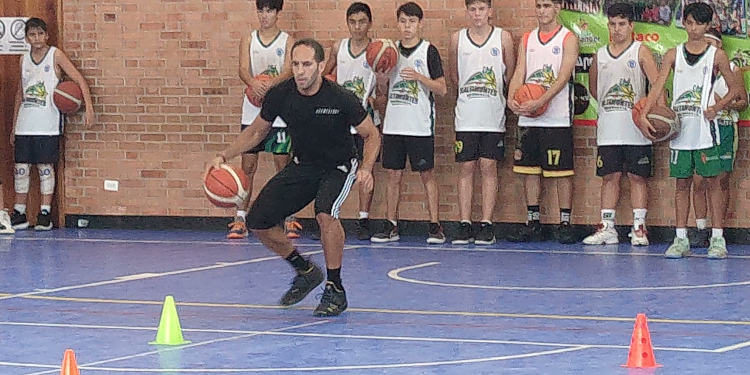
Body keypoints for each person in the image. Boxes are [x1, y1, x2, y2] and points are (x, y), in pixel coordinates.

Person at [207, 39, 380, 316]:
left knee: (325, 214)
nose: (300, 71)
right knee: (257, 221)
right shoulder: (281, 94)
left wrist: (367, 168)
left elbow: (371, 134)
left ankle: (335, 288)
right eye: (296, 64)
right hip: (303, 166)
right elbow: (256, 132)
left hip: (338, 167)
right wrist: (224, 156)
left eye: (307, 64)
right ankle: (305, 270)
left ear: (321, 66)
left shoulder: (340, 97)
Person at [639, 2, 744, 259]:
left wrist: (716, 106)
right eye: (689, 22)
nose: (694, 28)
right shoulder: (673, 54)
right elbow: (658, 86)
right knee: (681, 184)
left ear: (708, 26)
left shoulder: (717, 56)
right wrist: (643, 113)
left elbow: (735, 91)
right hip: (681, 129)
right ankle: (680, 238)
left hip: (706, 129)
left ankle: (718, 239)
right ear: (684, 23)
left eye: (699, 23)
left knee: (714, 183)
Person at [582, 3, 661, 246]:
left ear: (631, 26)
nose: (617, 29)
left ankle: (639, 228)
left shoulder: (641, 51)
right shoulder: (600, 55)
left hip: (637, 128)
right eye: (613, 24)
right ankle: (607, 227)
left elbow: (657, 86)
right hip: (609, 127)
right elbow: (595, 89)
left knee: (638, 177)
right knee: (610, 177)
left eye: (622, 24)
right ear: (608, 25)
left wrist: (656, 116)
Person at [370, 2, 448, 244]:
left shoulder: (428, 51)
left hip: (419, 125)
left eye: (412, 22)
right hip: (393, 125)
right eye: (403, 21)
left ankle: (435, 225)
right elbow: (381, 97)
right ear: (398, 23)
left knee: (427, 174)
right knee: (393, 175)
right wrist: (381, 80)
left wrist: (419, 77)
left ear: (420, 24)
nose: (407, 27)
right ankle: (390, 224)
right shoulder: (388, 52)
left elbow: (443, 89)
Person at [10, 17, 94, 231]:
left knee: (45, 167)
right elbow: (20, 93)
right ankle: (20, 212)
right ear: (27, 38)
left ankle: (45, 213)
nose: (36, 38)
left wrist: (89, 107)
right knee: (21, 168)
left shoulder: (55, 55)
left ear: (46, 35)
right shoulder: (23, 59)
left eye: (40, 33)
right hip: (24, 123)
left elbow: (79, 80)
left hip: (47, 123)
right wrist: (13, 126)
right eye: (32, 34)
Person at [506, 0, 579, 244]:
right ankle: (533, 221)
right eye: (538, 6)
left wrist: (542, 100)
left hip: (557, 117)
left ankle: (565, 223)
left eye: (547, 6)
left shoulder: (568, 38)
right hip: (529, 116)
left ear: (557, 8)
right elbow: (519, 72)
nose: (542, 11)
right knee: (529, 171)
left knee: (561, 173)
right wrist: (512, 98)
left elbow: (564, 76)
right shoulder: (527, 39)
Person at [230, 0, 301, 240]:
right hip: (252, 110)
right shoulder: (248, 39)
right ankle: (240, 217)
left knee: (283, 165)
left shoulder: (287, 41)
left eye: (269, 10)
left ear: (278, 13)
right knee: (247, 166)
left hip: (279, 112)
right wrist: (253, 84)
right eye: (261, 10)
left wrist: (270, 84)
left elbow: (289, 71)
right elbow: (242, 69)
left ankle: (289, 217)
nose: (264, 15)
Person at [447, 0, 514, 245]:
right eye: (472, 9)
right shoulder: (457, 39)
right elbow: (454, 76)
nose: (477, 14)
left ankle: (486, 223)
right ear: (467, 11)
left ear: (490, 11)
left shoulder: (503, 38)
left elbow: (510, 73)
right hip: (466, 114)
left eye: (481, 9)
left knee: (488, 166)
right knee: (466, 167)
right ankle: (465, 223)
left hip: (493, 113)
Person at [323, 2, 380, 240]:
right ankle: (326, 217)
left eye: (362, 22)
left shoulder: (378, 51)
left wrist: (377, 99)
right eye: (353, 22)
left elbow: (384, 87)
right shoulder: (339, 47)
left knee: (366, 170)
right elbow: (325, 76)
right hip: (340, 122)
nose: (357, 27)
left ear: (369, 23)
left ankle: (364, 219)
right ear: (347, 23)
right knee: (333, 169)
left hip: (365, 120)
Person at [689, 28, 747, 248]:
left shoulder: (732, 68)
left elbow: (743, 102)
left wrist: (722, 102)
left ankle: (718, 231)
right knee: (698, 180)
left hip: (723, 127)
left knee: (720, 179)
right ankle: (701, 228)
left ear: (719, 46)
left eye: (711, 43)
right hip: (701, 128)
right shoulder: (695, 68)